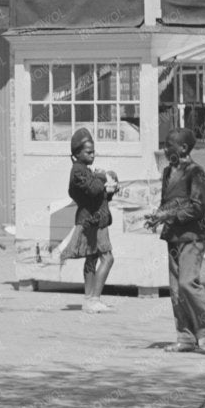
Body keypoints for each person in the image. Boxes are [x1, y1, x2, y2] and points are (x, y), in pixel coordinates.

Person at [149, 126, 205, 351]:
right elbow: (166, 203)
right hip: (173, 236)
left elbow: (198, 207)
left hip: (193, 236)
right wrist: (158, 216)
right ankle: (186, 337)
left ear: (183, 148)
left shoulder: (196, 172)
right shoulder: (168, 172)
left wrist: (170, 215)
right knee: (176, 290)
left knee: (187, 283)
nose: (165, 149)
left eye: (169, 145)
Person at [67, 128, 119, 313]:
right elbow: (94, 189)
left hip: (95, 219)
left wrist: (110, 189)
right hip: (93, 221)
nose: (92, 155)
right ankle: (95, 298)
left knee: (92, 258)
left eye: (93, 151)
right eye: (88, 152)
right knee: (108, 258)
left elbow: (97, 193)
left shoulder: (84, 170)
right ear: (77, 153)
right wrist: (103, 177)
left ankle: (89, 300)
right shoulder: (78, 171)